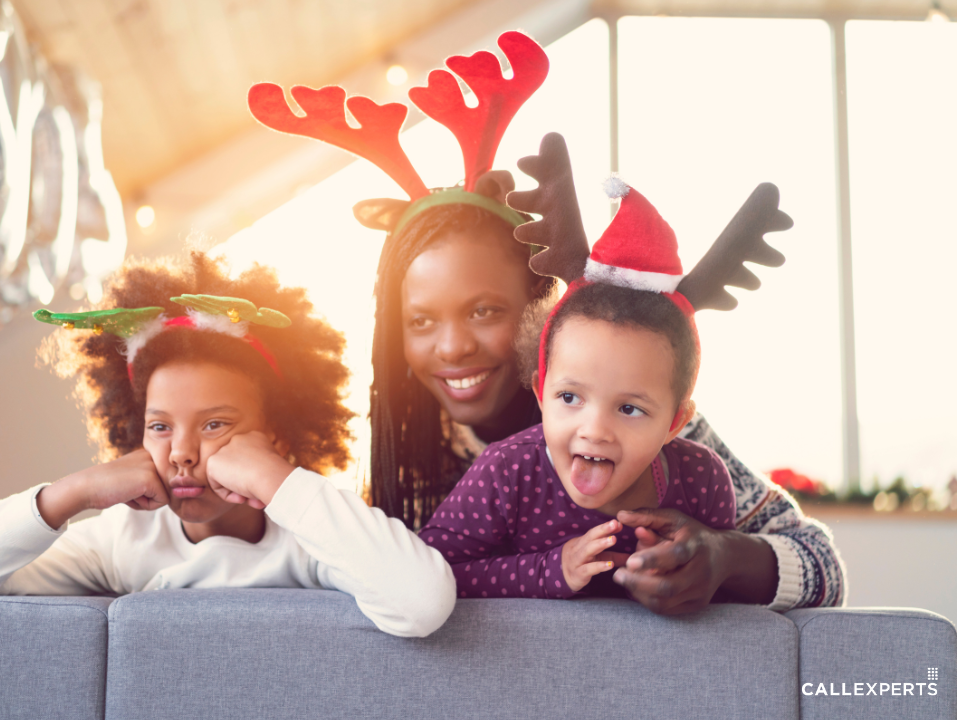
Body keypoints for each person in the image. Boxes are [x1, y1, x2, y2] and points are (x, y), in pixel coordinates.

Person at [249, 32, 845, 613]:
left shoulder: (647, 419)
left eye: (485, 311)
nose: (453, 346)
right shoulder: (410, 456)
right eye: (421, 321)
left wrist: (726, 556)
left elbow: (823, 568)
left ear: (541, 313)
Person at [0, 250, 456, 638]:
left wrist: (275, 480)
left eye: (215, 425)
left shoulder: (312, 532)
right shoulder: (124, 540)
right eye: (160, 426)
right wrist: (72, 493)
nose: (182, 453)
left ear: (275, 436)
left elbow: (422, 603)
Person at [417, 179, 739, 599]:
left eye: (629, 409)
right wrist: (551, 569)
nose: (594, 429)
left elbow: (735, 608)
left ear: (676, 422)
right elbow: (429, 573)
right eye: (569, 398)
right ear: (540, 391)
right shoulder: (507, 473)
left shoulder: (702, 481)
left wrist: (693, 573)